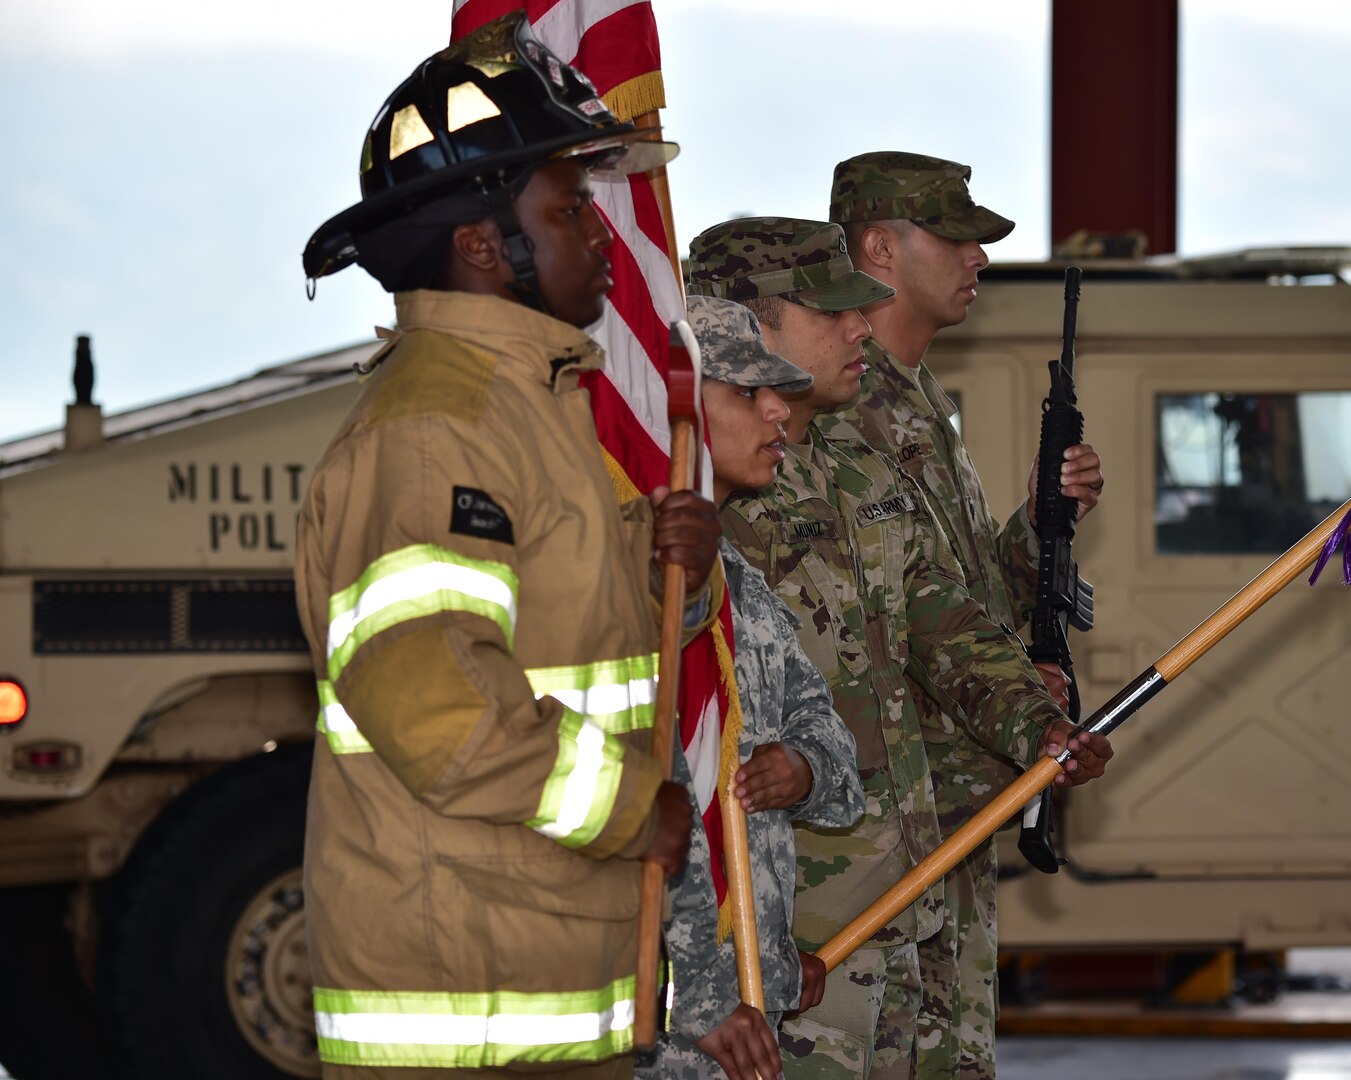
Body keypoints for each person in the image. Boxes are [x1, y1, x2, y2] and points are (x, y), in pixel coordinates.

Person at [295, 17, 723, 1078]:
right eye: (571, 207)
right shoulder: (438, 428)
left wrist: (691, 570)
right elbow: (439, 707)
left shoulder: (528, 409)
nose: (601, 234)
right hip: (470, 1010)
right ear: (485, 247)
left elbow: (602, 628)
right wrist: (638, 808)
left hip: (539, 979)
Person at [688, 217, 1113, 1079]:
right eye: (831, 312)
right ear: (746, 326)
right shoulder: (703, 493)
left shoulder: (862, 469)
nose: (859, 328)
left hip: (909, 870)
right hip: (794, 893)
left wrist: (1037, 726)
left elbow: (936, 615)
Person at [825, 151, 1105, 1079]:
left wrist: (1040, 527)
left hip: (946, 805)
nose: (975, 259)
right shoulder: (840, 406)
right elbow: (903, 613)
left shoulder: (915, 399)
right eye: (955, 238)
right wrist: (1026, 706)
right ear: (878, 246)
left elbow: (962, 587)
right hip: (886, 815)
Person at [639, 295, 866, 1080]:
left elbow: (837, 759)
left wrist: (800, 769)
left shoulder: (741, 586)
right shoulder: (634, 585)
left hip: (737, 1011)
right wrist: (703, 997)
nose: (778, 411)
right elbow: (652, 812)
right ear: (668, 408)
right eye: (743, 393)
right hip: (666, 1028)